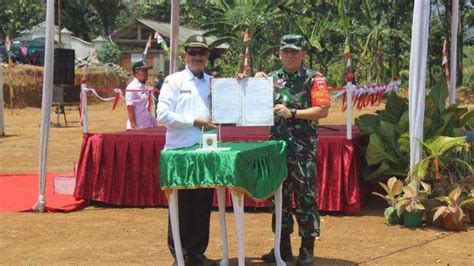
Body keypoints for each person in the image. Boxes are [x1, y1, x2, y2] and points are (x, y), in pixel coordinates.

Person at [258, 34, 330, 265]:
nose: (289, 55)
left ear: (303, 54)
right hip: (277, 149)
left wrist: (294, 113)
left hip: (302, 151)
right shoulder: (272, 78)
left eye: (294, 51)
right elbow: (251, 98)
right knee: (278, 198)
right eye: (285, 51)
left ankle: (307, 248)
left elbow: (322, 110)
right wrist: (250, 81)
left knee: (305, 198)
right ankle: (282, 246)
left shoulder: (314, 79)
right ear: (279, 54)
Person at [156, 34, 216, 265]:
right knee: (180, 206)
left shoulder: (213, 83)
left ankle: (197, 252)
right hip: (179, 152)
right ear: (185, 55)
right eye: (193, 52)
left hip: (205, 150)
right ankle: (179, 255)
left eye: (201, 53)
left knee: (202, 204)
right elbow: (162, 115)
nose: (197, 57)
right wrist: (195, 121)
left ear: (207, 56)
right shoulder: (174, 81)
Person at [125, 61, 156, 130]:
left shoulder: (144, 86)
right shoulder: (132, 87)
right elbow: (130, 108)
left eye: (147, 71)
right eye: (144, 71)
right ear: (136, 72)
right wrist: (134, 126)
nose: (147, 73)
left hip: (147, 126)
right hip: (138, 128)